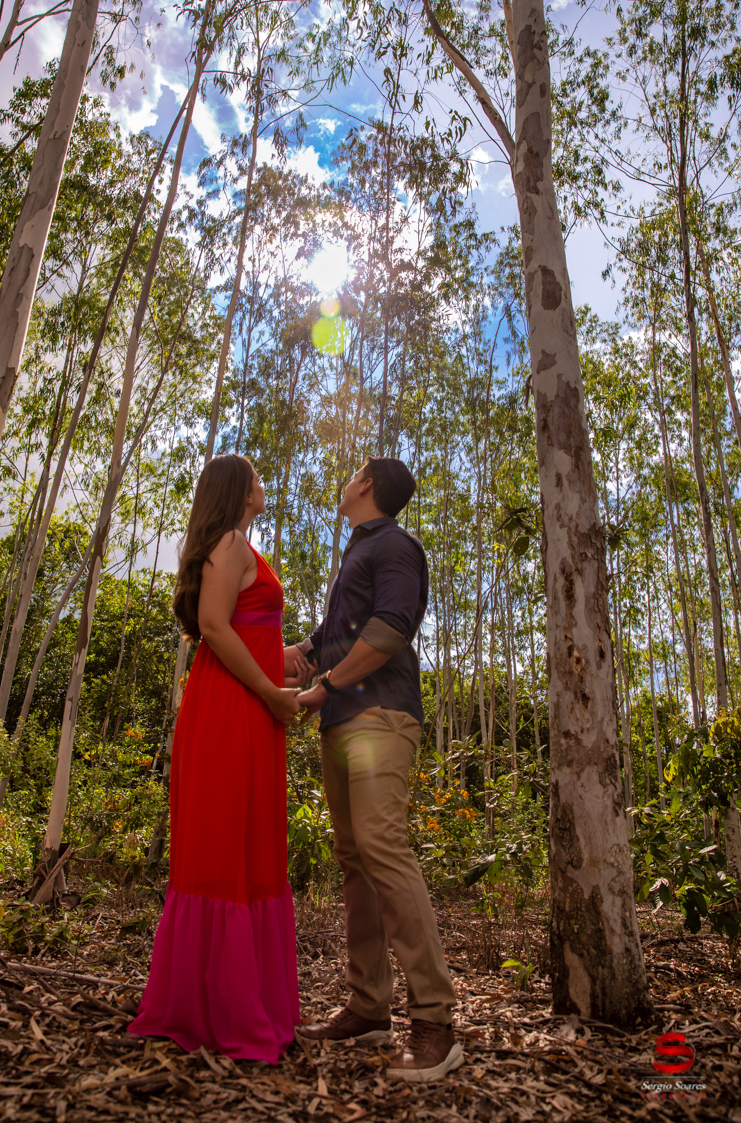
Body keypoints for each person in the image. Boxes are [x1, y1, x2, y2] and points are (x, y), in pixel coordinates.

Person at [288, 457, 462, 1083]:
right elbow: (320, 644)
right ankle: (368, 1007)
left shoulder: (395, 545)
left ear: (366, 485)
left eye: (352, 472)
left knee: (382, 845)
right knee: (354, 859)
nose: (344, 480)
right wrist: (233, 644)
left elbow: (390, 630)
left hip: (380, 715)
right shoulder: (358, 553)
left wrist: (326, 684)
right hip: (341, 720)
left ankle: (435, 1020)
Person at [130, 454, 303, 1061]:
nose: (263, 483)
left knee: (247, 842)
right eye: (255, 476)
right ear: (237, 491)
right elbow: (213, 624)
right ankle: (217, 1010)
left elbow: (246, 631)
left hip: (245, 703)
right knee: (224, 845)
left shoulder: (237, 546)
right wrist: (270, 693)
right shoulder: (230, 543)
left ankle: (231, 1000)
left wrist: (293, 657)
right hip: (232, 708)